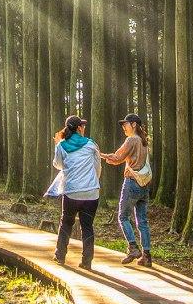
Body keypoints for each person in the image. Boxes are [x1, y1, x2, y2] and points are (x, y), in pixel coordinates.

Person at [45, 114, 101, 270]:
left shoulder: (62, 145)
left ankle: (60, 255)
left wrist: (58, 144)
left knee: (66, 223)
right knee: (87, 226)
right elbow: (97, 168)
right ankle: (87, 261)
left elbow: (58, 165)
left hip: (71, 193)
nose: (84, 128)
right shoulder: (91, 144)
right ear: (79, 128)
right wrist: (92, 181)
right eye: (82, 126)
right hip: (91, 193)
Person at [101, 112, 152, 267]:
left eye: (126, 124)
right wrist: (111, 159)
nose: (123, 127)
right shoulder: (144, 141)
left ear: (134, 125)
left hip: (131, 183)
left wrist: (100, 155)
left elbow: (117, 157)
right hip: (144, 185)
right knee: (142, 221)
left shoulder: (132, 140)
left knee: (123, 217)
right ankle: (147, 256)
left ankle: (133, 248)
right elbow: (120, 160)